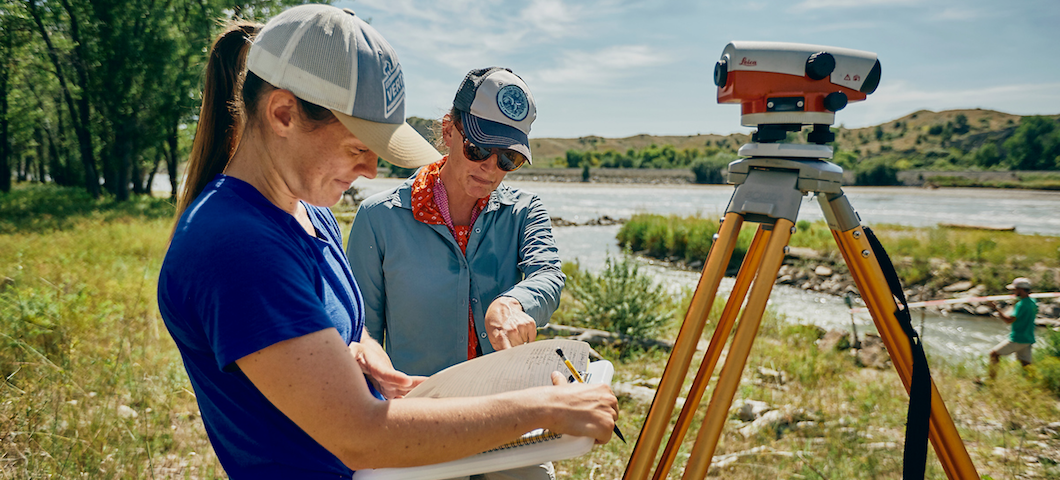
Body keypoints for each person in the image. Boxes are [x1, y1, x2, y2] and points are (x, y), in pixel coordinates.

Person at [157, 6, 617, 479]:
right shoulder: (235, 247)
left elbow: (347, 332)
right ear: (282, 114)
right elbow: (363, 435)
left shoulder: (310, 214)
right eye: (359, 148)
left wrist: (365, 358)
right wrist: (545, 408)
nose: (372, 172)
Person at [347, 67, 561, 480]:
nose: (491, 169)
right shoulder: (378, 218)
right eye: (479, 149)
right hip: (417, 420)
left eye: (509, 159)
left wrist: (515, 302)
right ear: (448, 131)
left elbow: (547, 274)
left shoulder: (526, 210)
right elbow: (361, 331)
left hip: (508, 413)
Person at [986, 276, 1038, 378]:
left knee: (994, 354)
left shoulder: (1021, 304)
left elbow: (1008, 320)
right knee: (1026, 364)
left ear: (1020, 289)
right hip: (1028, 337)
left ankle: (991, 380)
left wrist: (996, 308)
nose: (1013, 292)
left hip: (1018, 338)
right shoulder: (1033, 302)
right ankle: (1034, 384)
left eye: (1015, 289)